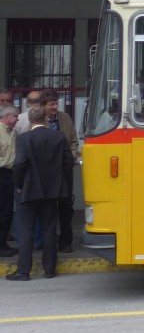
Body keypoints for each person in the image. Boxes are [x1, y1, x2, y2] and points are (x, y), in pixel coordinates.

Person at [7, 102, 73, 281]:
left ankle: (23, 271)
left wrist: (18, 183)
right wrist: (60, 181)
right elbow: (68, 162)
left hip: (28, 189)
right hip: (51, 190)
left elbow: (19, 164)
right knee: (49, 228)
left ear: (29, 119)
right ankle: (49, 269)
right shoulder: (58, 137)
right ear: (45, 119)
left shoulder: (23, 139)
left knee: (26, 229)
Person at [40, 90, 79, 253]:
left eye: (57, 103)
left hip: (64, 170)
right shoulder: (38, 120)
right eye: (52, 104)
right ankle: (47, 243)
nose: (55, 107)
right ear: (43, 106)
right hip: (46, 172)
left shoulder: (65, 118)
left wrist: (70, 158)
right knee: (47, 208)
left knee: (65, 208)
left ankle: (65, 242)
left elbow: (74, 142)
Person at [0, 103, 17, 256]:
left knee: (7, 211)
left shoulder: (11, 132)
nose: (17, 120)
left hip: (9, 174)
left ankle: (3, 242)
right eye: (15, 117)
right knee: (3, 210)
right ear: (7, 117)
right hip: (2, 173)